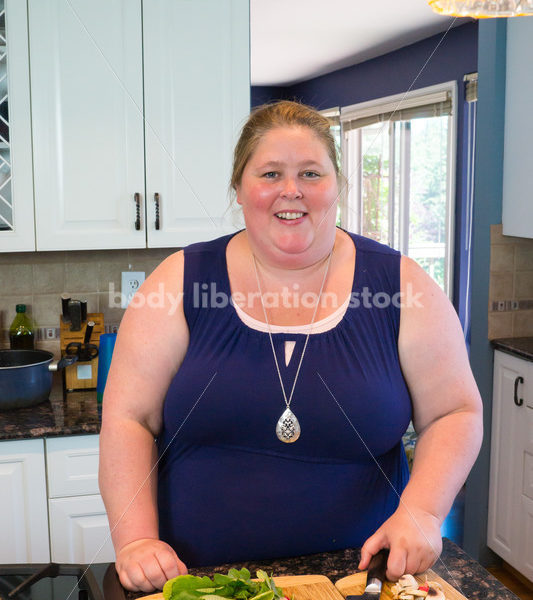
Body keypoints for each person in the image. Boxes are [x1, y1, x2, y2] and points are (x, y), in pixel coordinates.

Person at [99, 100, 483, 593]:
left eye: (310, 173)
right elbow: (128, 419)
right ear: (239, 187)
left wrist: (425, 511)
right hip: (204, 581)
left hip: (361, 577)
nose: (291, 190)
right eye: (270, 173)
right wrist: (134, 541)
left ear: (337, 186)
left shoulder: (404, 285)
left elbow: (455, 412)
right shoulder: (177, 282)